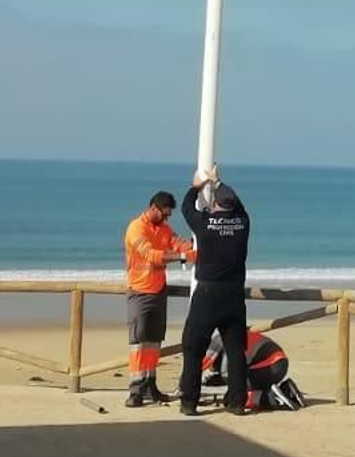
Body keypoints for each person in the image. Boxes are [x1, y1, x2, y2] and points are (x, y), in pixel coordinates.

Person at [177, 167, 249, 417]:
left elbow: (187, 208)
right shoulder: (243, 223)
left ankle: (189, 401)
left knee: (193, 347)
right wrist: (218, 182)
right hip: (234, 295)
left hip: (208, 293)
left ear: (215, 204)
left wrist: (196, 186)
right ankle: (237, 402)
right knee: (236, 350)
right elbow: (238, 205)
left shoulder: (205, 225)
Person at [122, 190, 195, 408]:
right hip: (139, 291)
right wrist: (182, 256)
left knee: (154, 341)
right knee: (138, 342)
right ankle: (135, 389)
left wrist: (194, 246)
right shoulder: (136, 228)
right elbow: (152, 255)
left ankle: (150, 383)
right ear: (154, 208)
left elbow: (176, 242)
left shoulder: (164, 229)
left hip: (158, 291)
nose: (167, 218)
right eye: (165, 214)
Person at [202, 326, 299, 412]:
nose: (212, 369)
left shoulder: (216, 347)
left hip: (267, 365)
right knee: (247, 384)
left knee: (232, 398)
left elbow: (228, 375)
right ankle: (285, 388)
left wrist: (192, 388)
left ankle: (273, 398)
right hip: (278, 362)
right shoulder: (228, 336)